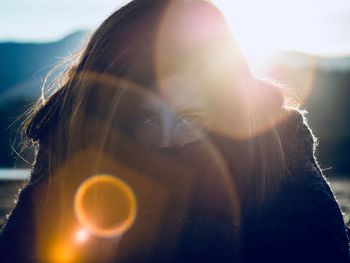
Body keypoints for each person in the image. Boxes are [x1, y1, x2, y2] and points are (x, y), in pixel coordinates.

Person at [0, 0, 349, 262]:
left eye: (191, 119)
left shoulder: (277, 154)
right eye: (145, 119)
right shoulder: (70, 151)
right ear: (109, 117)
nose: (166, 142)